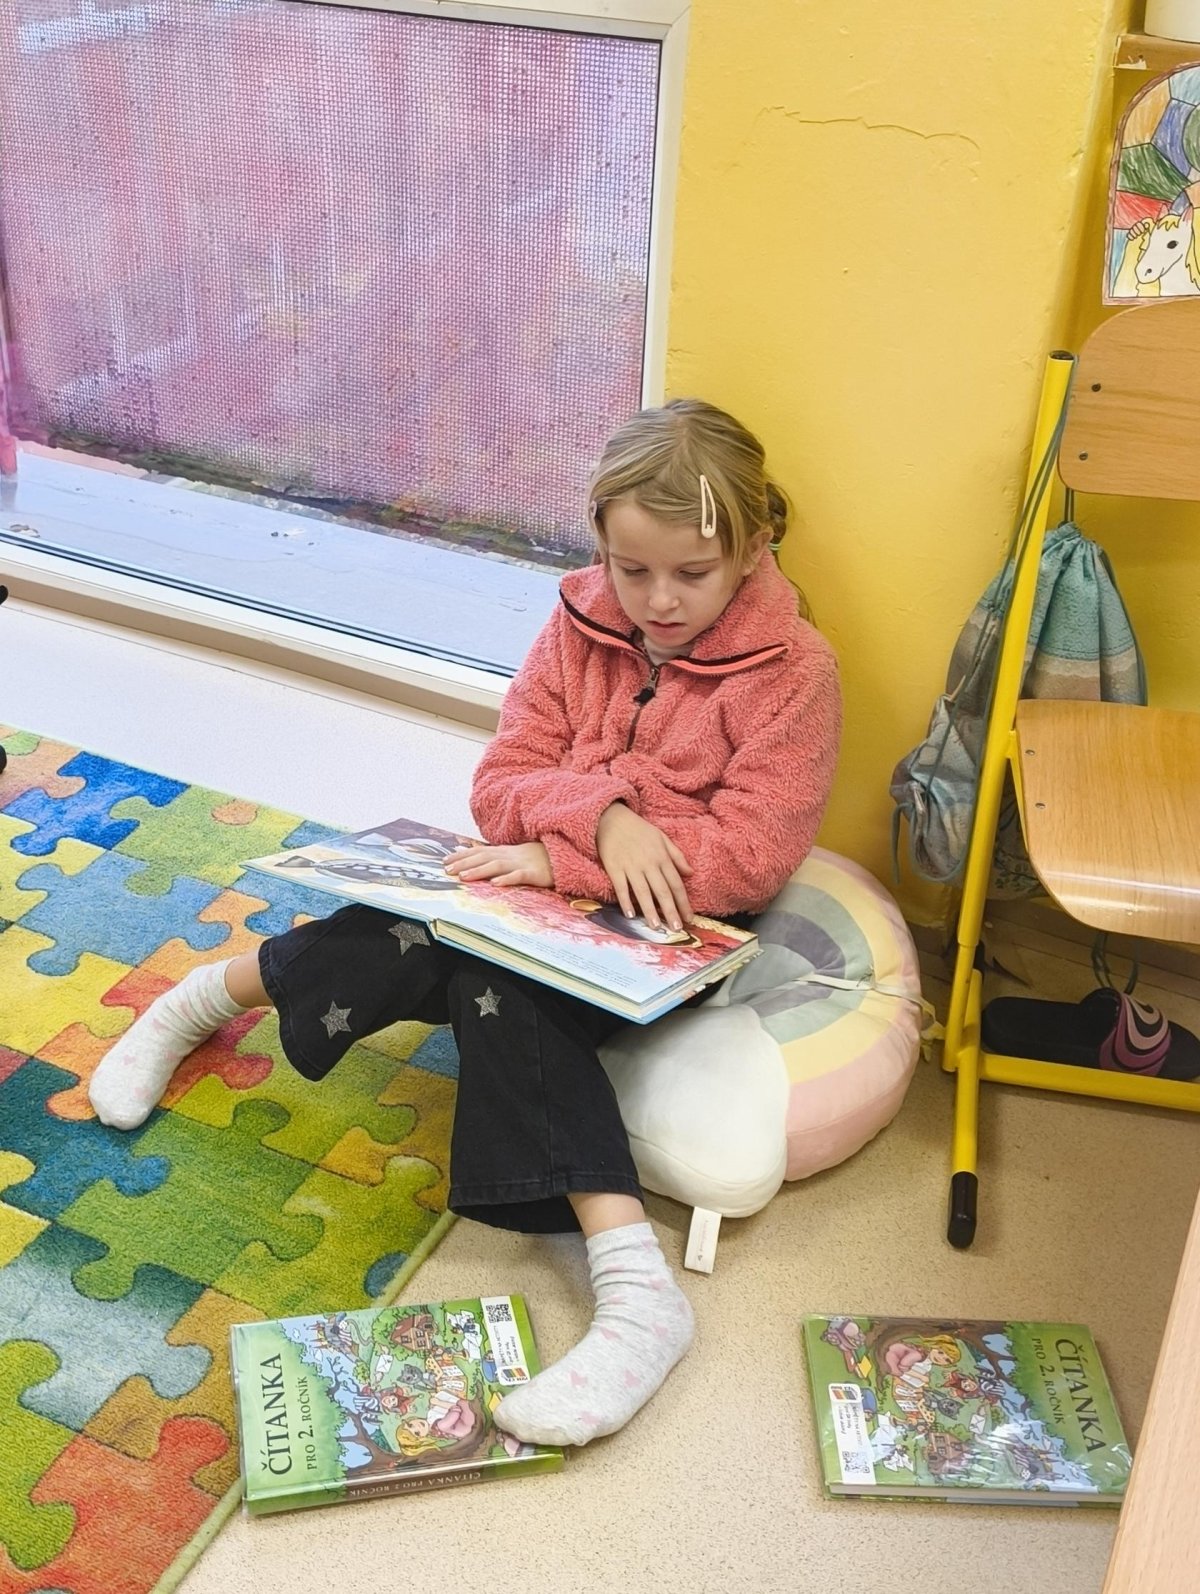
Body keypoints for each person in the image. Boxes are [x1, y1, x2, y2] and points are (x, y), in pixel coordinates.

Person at [88, 398, 842, 1448]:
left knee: (502, 984)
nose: (658, 601)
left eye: (692, 574)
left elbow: (750, 857)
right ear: (600, 544)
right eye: (631, 569)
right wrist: (600, 820)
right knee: (419, 928)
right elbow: (501, 782)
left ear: (754, 548)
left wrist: (565, 859)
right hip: (538, 883)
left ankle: (640, 1298)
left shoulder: (795, 672)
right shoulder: (579, 622)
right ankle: (198, 1002)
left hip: (671, 937)